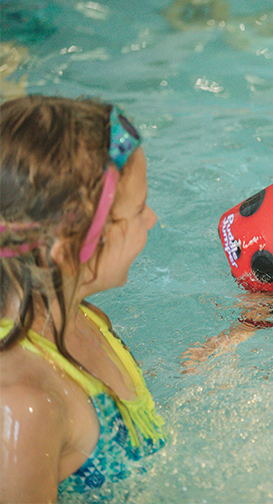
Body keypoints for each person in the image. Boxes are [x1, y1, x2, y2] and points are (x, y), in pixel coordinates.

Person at [0, 95, 165, 502]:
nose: (153, 219)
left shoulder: (88, 320)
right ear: (69, 248)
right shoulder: (26, 406)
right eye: (139, 209)